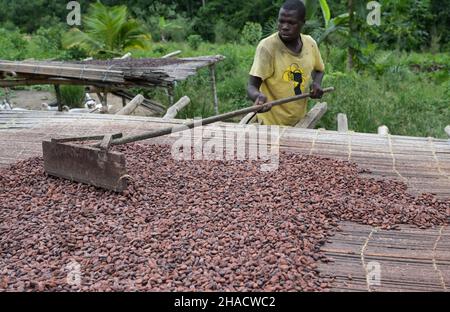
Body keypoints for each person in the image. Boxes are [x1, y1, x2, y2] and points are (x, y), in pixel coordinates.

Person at [247, 0, 325, 126]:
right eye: (281, 21)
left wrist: (316, 83)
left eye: (291, 23)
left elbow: (319, 70)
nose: (284, 26)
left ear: (302, 23)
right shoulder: (267, 47)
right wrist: (258, 97)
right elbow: (251, 86)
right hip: (269, 124)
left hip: (299, 121)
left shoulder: (310, 44)